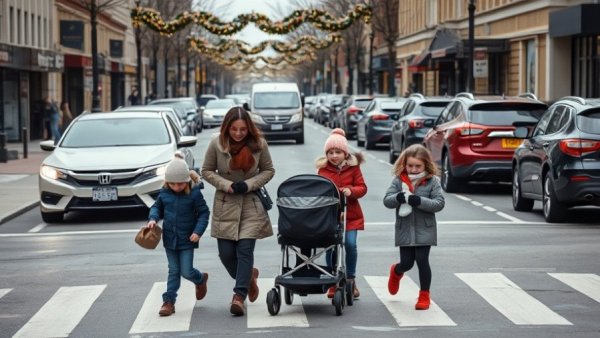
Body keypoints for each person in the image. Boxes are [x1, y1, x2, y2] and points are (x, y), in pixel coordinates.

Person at [201, 106, 275, 316]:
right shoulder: (217, 143)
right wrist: (226, 184)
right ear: (227, 128)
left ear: (249, 128)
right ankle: (249, 278)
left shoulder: (259, 144)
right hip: (225, 202)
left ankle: (238, 296)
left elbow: (268, 170)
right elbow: (206, 170)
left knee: (245, 250)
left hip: (251, 203)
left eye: (242, 129)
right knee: (226, 254)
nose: (238, 133)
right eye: (234, 129)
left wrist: (249, 184)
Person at [147, 156, 210, 317]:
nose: (176, 187)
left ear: (187, 180)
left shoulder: (194, 194)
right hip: (169, 239)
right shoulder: (164, 193)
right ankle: (169, 302)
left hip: (188, 239)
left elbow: (204, 213)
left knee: (187, 271)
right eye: (172, 184)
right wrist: (153, 219)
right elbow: (156, 207)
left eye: (180, 183)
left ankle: (200, 279)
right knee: (174, 270)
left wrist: (198, 232)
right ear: (167, 182)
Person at [383, 144, 445, 310]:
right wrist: (399, 197)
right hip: (405, 229)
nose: (414, 169)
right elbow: (387, 200)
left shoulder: (433, 182)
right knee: (407, 263)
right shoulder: (398, 180)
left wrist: (419, 201)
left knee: (422, 260)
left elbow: (439, 204)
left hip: (425, 229)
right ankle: (396, 271)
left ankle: (424, 295)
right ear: (404, 164)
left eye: (418, 166)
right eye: (410, 165)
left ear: (426, 165)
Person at [315, 128, 367, 299]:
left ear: (345, 153)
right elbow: (319, 191)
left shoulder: (353, 168)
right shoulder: (323, 170)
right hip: (330, 217)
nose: (334, 156)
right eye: (330, 152)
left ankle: (351, 278)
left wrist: (351, 191)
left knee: (350, 245)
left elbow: (362, 188)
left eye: (338, 152)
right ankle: (332, 279)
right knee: (331, 247)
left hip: (351, 215)